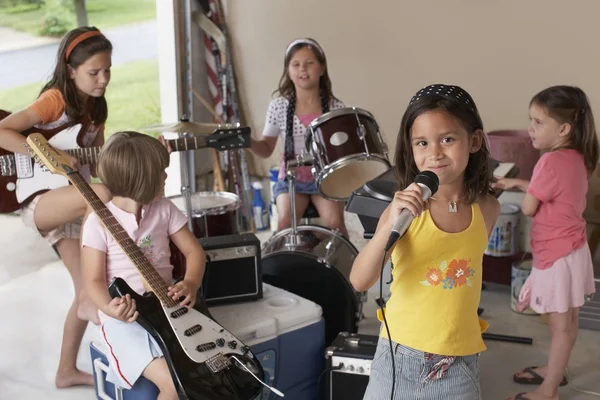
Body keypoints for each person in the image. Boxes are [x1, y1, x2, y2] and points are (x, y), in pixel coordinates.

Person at [350, 84, 500, 399]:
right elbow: (360, 280)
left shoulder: (487, 208)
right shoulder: (403, 210)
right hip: (399, 358)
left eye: (447, 139)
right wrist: (392, 221)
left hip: (459, 362)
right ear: (410, 149)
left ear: (473, 141)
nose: (434, 153)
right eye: (422, 142)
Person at [0, 26, 113, 388]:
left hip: (72, 200)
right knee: (104, 195)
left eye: (108, 70)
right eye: (94, 73)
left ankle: (65, 371)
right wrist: (47, 155)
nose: (103, 79)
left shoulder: (97, 106)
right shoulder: (56, 100)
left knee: (86, 290)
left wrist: (143, 155)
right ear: (71, 71)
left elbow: (100, 162)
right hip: (37, 201)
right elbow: (4, 130)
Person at [81, 131, 206, 399]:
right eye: (161, 172)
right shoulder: (98, 222)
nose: (166, 177)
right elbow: (91, 280)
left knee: (202, 374)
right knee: (175, 386)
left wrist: (191, 282)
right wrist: (109, 309)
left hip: (167, 310)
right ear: (142, 181)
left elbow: (194, 251)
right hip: (126, 321)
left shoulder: (164, 208)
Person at [493, 86, 598, 400]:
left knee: (559, 326)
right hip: (574, 250)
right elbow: (554, 191)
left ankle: (549, 389)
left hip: (557, 254)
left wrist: (521, 190)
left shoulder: (548, 162)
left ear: (563, 129)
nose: (530, 128)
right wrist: (519, 182)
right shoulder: (576, 156)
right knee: (567, 322)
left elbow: (529, 206)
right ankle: (555, 369)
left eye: (538, 122)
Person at [250, 38, 348, 237]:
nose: (303, 69)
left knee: (335, 224)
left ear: (321, 69)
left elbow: (341, 152)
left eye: (309, 63)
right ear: (288, 71)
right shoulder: (278, 106)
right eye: (296, 64)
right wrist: (246, 142)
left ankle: (337, 264)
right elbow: (266, 148)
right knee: (285, 223)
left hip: (325, 180)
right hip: (290, 179)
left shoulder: (335, 107)